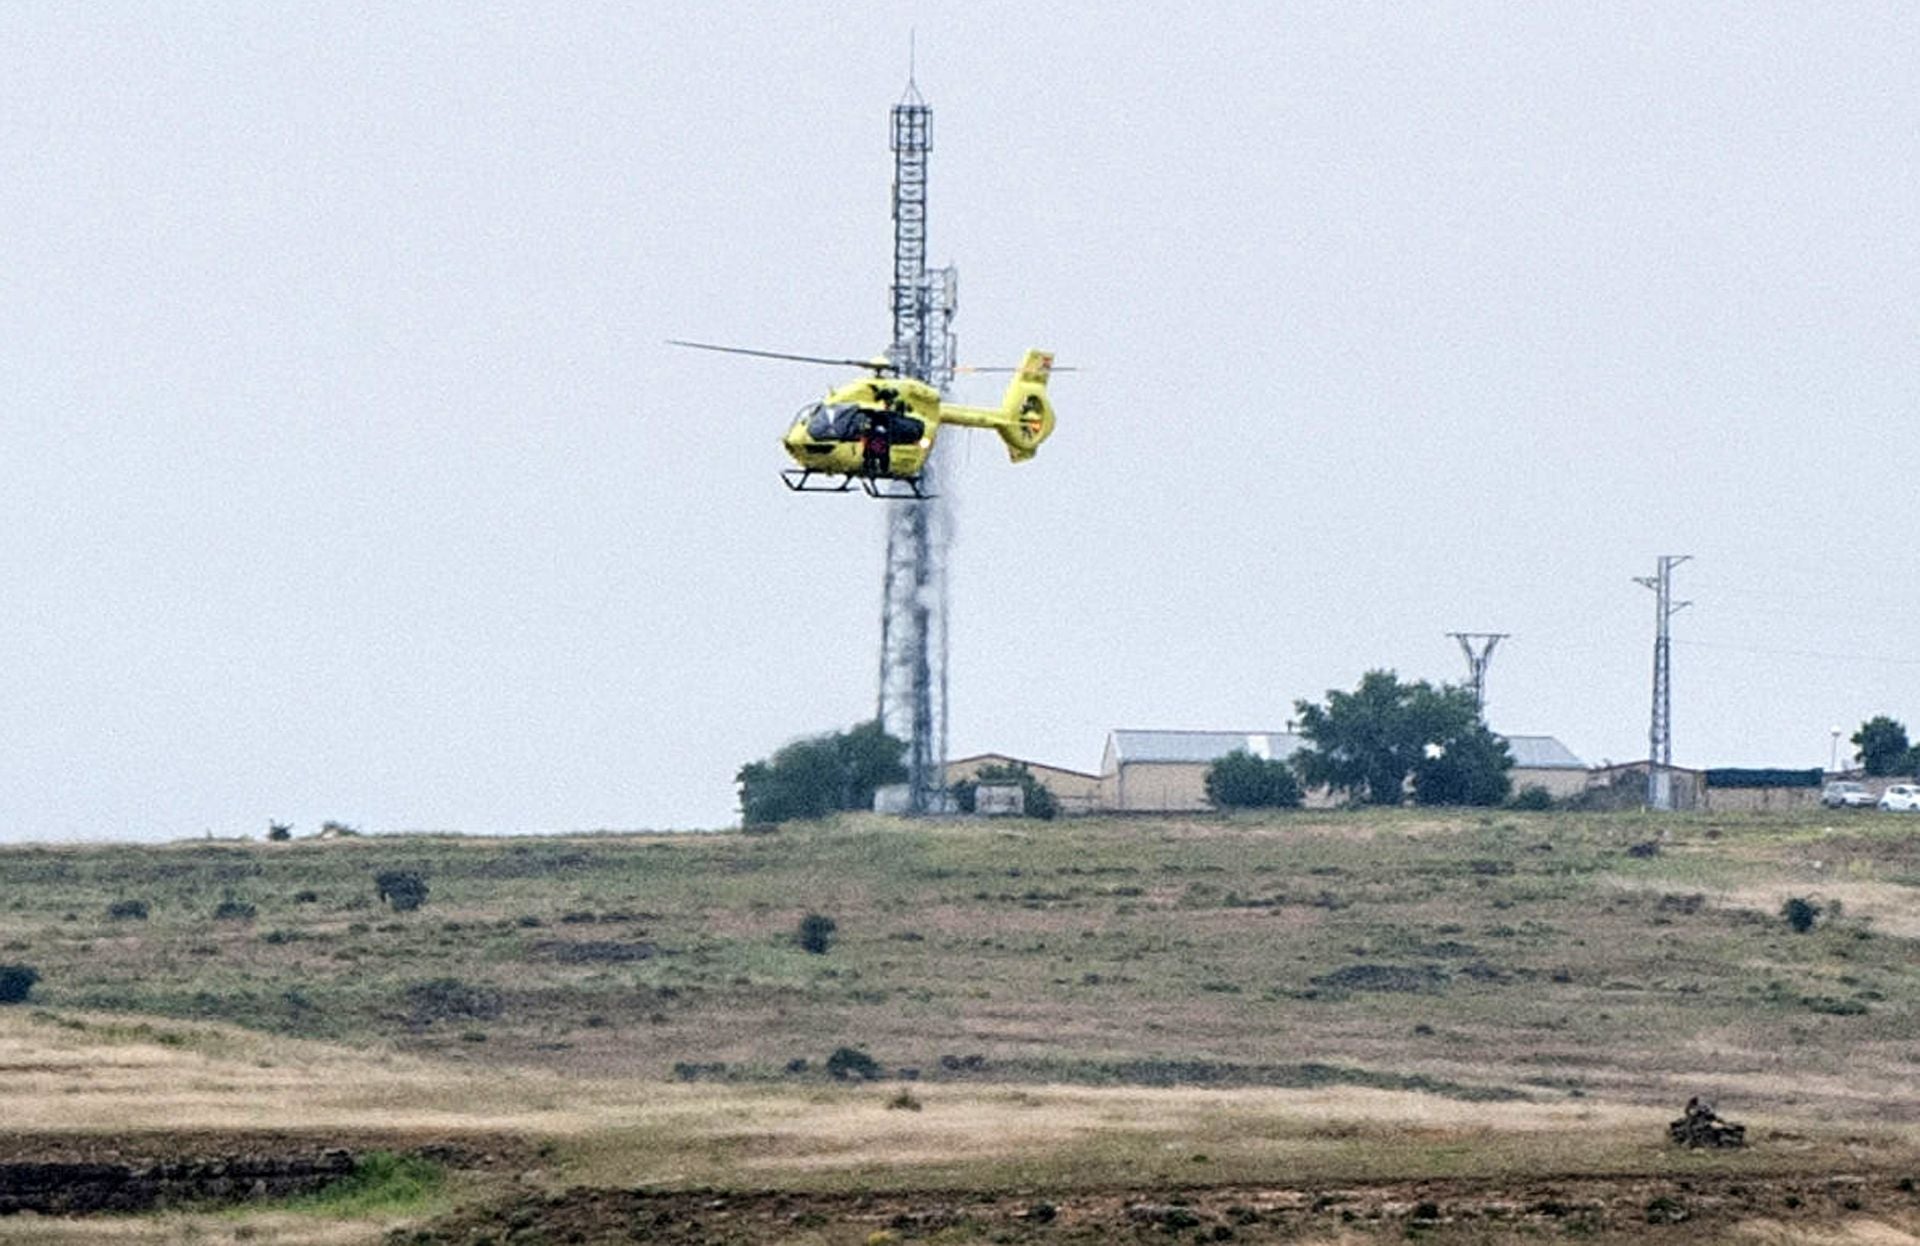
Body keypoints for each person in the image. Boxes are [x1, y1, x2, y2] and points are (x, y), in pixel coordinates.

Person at [860, 411, 890, 477]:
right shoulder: (885, 422)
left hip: (875, 443)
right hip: (880, 443)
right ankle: (882, 469)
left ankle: (870, 467)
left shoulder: (872, 424)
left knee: (871, 453)